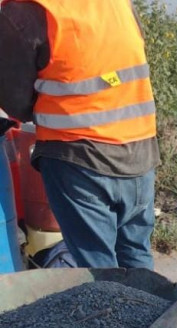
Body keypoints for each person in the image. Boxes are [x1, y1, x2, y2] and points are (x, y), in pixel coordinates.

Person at [0, 0, 159, 269]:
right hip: (140, 151)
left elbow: (15, 99)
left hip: (79, 157)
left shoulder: (27, 9)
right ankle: (153, 311)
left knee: (97, 268)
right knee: (135, 256)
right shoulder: (117, 4)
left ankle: (107, 311)